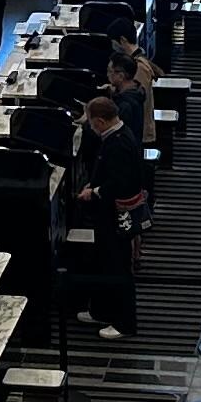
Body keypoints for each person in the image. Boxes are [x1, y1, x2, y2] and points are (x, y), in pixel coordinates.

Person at [66, 90, 154, 340]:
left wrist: (94, 191)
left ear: (100, 121)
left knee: (118, 266)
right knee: (103, 262)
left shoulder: (119, 144)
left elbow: (119, 182)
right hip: (107, 215)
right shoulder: (118, 135)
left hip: (117, 215)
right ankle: (102, 310)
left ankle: (125, 323)